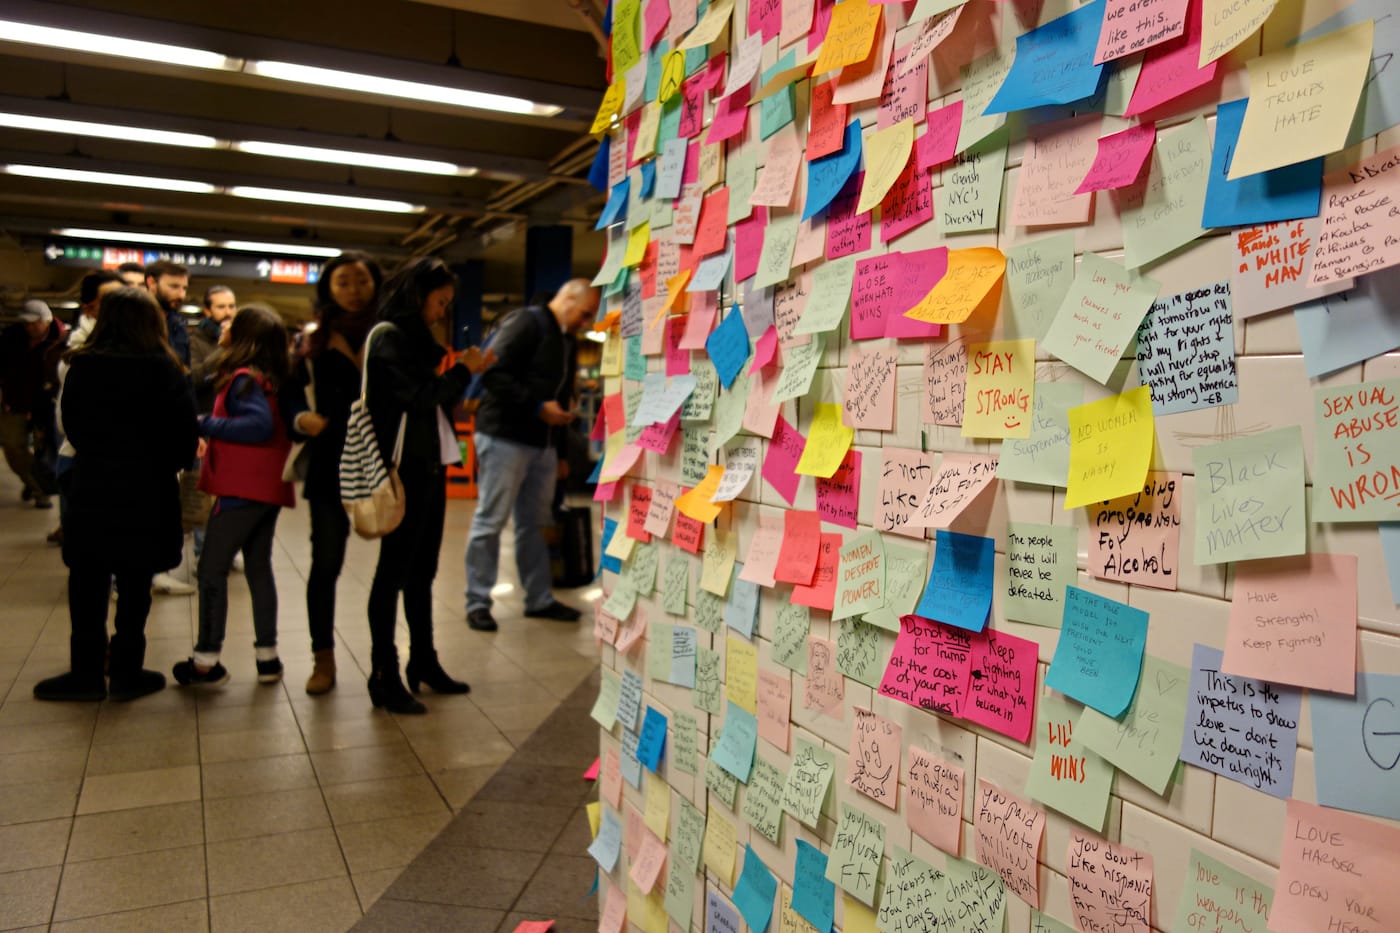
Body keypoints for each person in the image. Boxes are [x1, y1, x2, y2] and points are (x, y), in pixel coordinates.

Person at [33, 287, 198, 701]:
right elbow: (184, 442)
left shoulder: (83, 365)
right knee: (135, 584)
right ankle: (127, 672)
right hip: (149, 491)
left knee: (87, 585)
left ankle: (86, 675)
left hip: (94, 488)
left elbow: (71, 429)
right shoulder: (168, 370)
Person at [364, 257, 494, 714]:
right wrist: (465, 369)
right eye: (439, 302)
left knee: (422, 573)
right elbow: (420, 401)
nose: (442, 312)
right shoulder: (390, 341)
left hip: (430, 468)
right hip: (404, 473)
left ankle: (424, 661)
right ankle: (384, 672)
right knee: (393, 573)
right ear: (418, 296)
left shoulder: (416, 343)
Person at [173, 305, 299, 688]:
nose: (224, 328)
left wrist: (202, 422)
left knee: (211, 569)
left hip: (241, 487)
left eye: (233, 324)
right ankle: (267, 658)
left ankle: (205, 661)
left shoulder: (243, 379)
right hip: (269, 487)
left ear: (244, 338)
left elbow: (257, 426)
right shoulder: (272, 378)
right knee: (259, 568)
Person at [464, 278, 598, 632]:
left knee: (536, 524)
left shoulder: (567, 338)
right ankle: (477, 601)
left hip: (543, 444)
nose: (586, 322)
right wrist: (538, 407)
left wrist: (561, 448)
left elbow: (560, 392)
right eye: (585, 313)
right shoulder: (527, 322)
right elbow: (492, 371)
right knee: (491, 520)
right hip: (503, 436)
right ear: (568, 297)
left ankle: (538, 598)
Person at [291, 252, 381, 695]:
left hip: (382, 464)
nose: (353, 290)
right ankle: (322, 659)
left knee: (394, 566)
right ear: (328, 288)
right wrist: (300, 419)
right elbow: (289, 397)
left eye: (361, 281)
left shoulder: (389, 334)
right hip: (329, 464)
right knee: (326, 563)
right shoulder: (312, 341)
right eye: (342, 282)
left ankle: (387, 659)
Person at [49, 270, 125, 545]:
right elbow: (70, 421)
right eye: (111, 300)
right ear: (89, 308)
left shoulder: (127, 347)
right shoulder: (82, 352)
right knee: (91, 556)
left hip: (115, 465)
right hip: (87, 463)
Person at [145, 260, 197, 594]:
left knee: (163, 507)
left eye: (183, 288)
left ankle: (156, 570)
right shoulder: (136, 320)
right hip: (141, 428)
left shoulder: (177, 324)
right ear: (152, 283)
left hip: (168, 427)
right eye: (173, 286)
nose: (180, 294)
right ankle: (132, 574)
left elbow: (184, 375)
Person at [0, 299, 66, 509]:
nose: (30, 327)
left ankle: (39, 483)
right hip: (15, 401)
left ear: (46, 321)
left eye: (34, 322)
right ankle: (37, 486)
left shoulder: (60, 342)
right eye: (27, 323)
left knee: (45, 453)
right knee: (13, 447)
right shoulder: (12, 338)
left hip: (46, 405)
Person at [190, 284, 236, 382]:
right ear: (207, 311)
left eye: (231, 306)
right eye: (221, 307)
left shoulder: (241, 341)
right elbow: (194, 379)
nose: (228, 312)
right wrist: (225, 346)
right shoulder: (194, 341)